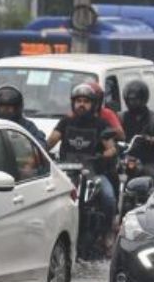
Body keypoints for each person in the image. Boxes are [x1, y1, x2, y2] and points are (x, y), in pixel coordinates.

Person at [46, 82, 119, 226]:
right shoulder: (66, 122)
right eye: (79, 101)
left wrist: (104, 155)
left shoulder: (101, 124)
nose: (82, 105)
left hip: (93, 173)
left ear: (93, 104)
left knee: (109, 198)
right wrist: (41, 153)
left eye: (86, 102)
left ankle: (107, 232)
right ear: (73, 103)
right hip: (67, 173)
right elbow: (49, 143)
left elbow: (112, 148)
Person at [118, 79, 154, 179]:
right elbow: (113, 133)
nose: (132, 103)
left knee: (149, 174)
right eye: (130, 100)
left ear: (143, 99)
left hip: (146, 160)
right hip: (125, 158)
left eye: (135, 100)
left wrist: (152, 139)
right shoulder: (121, 117)